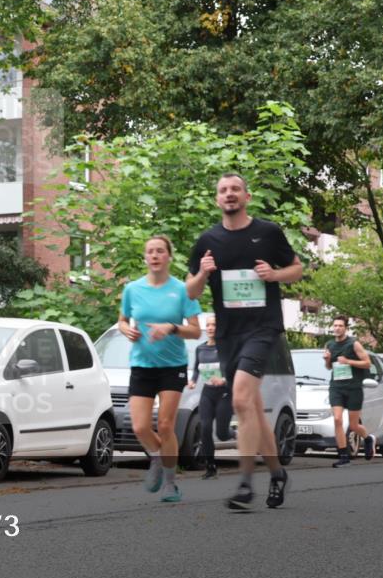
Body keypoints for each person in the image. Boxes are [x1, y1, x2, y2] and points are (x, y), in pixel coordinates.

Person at [187, 172, 303, 511]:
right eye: (223, 190)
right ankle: (277, 473)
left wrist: (275, 274)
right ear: (217, 199)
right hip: (227, 333)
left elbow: (296, 269)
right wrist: (203, 273)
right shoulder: (208, 240)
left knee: (240, 397)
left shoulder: (267, 232)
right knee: (251, 406)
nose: (229, 194)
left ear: (246, 197)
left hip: (263, 329)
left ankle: (245, 482)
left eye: (235, 189)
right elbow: (190, 291)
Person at [119, 235, 202, 503]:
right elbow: (122, 320)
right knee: (140, 427)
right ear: (145, 257)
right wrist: (126, 330)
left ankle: (170, 484)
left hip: (172, 366)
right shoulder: (132, 289)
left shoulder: (181, 290)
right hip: (142, 365)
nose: (154, 255)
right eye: (150, 252)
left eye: (159, 251)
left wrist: (171, 327)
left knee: (166, 425)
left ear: (169, 256)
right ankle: (157, 457)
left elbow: (195, 331)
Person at [323, 316, 375, 467]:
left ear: (346, 328)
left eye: (340, 325)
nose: (337, 328)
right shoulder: (329, 344)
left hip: (353, 388)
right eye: (335, 325)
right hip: (336, 387)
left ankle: (368, 439)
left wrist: (348, 361)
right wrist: (327, 359)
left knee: (353, 425)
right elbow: (329, 367)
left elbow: (367, 363)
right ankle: (344, 456)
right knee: (337, 420)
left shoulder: (354, 344)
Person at [188, 315, 233, 479]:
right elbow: (196, 369)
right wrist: (193, 381)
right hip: (207, 393)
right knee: (205, 428)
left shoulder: (226, 348)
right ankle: (210, 466)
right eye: (208, 325)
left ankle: (235, 434)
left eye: (214, 325)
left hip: (224, 393)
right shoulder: (200, 349)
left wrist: (223, 380)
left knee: (222, 434)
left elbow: (234, 371)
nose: (210, 328)